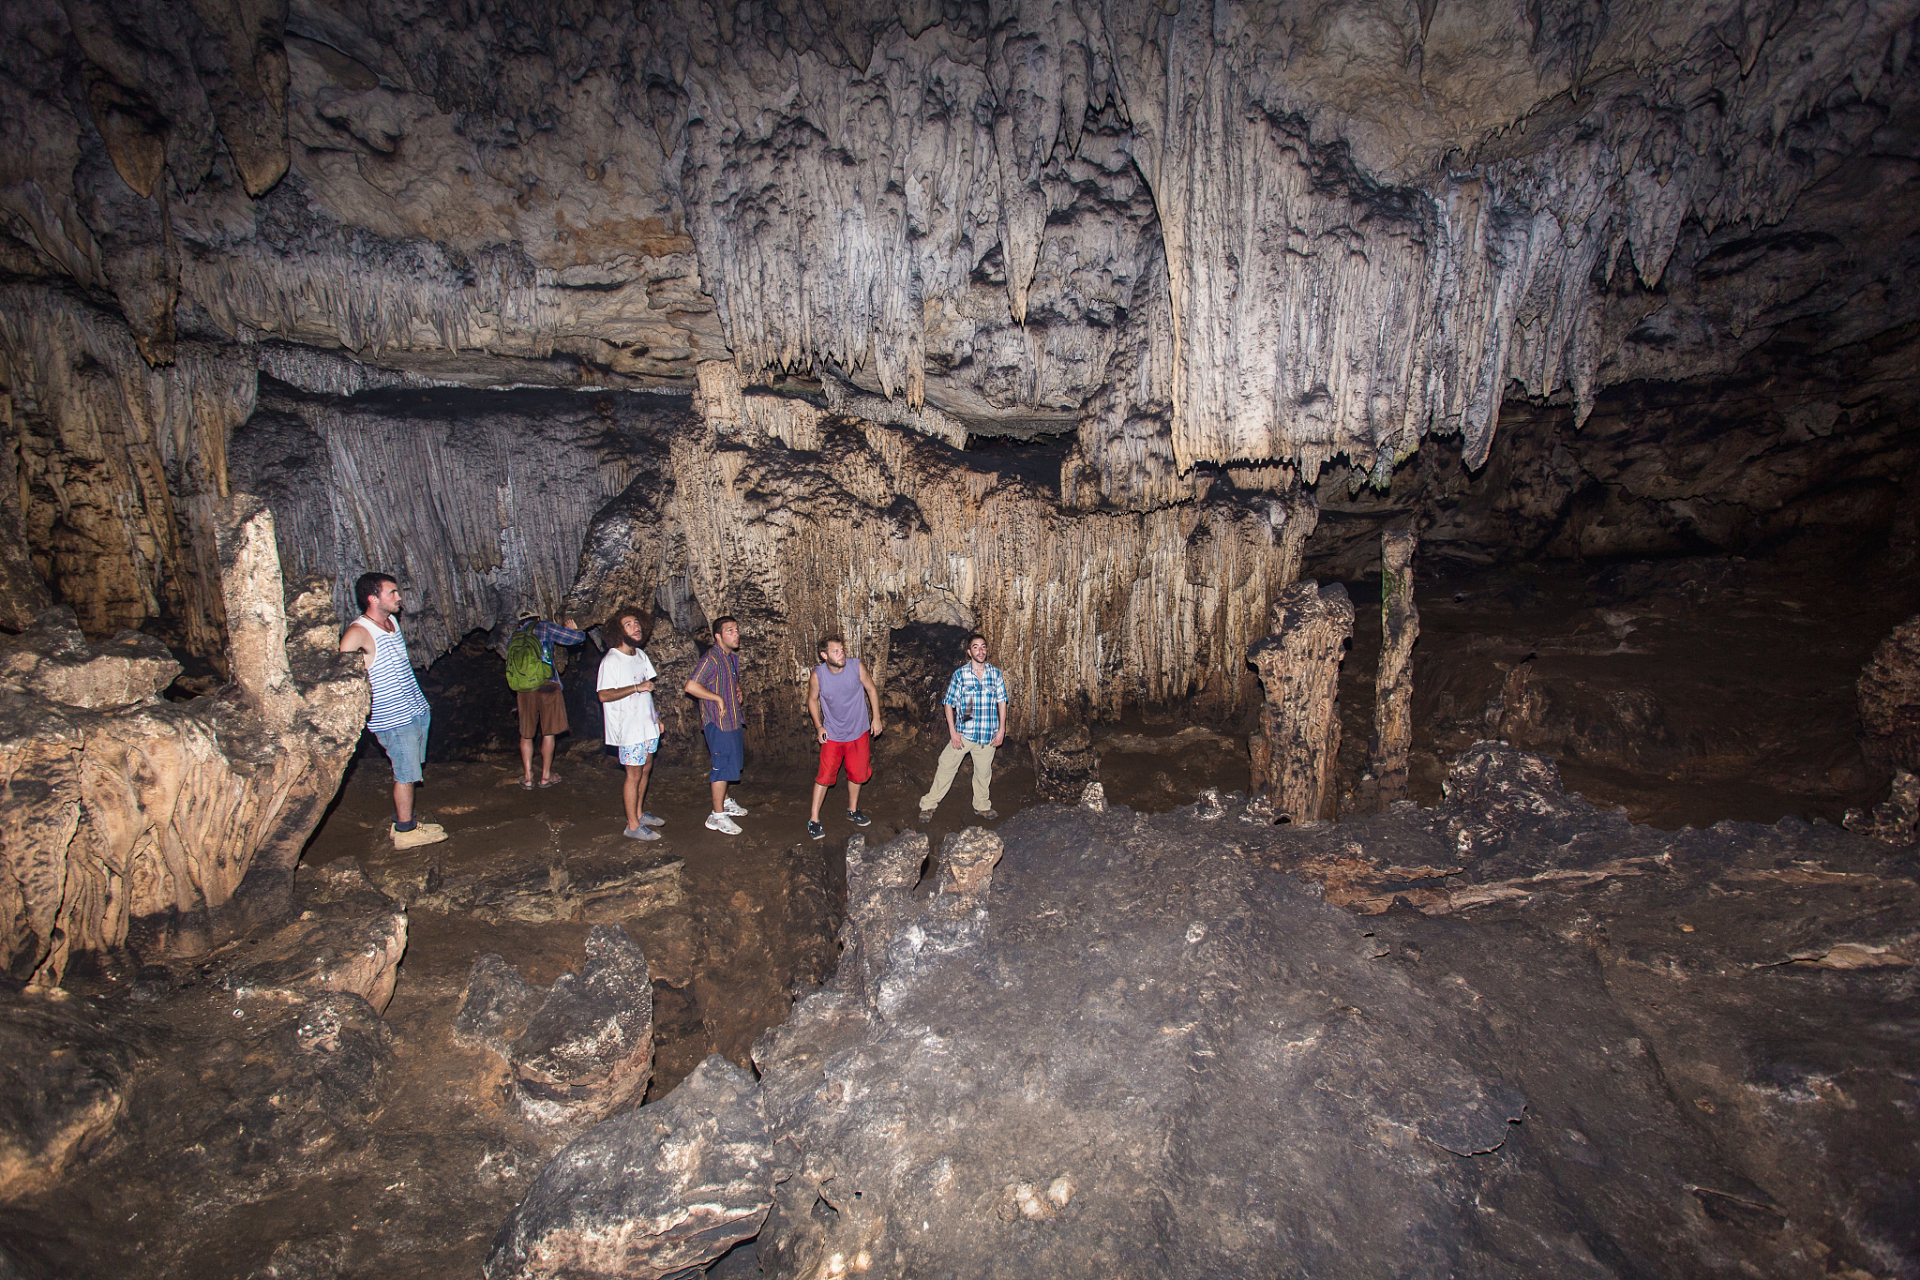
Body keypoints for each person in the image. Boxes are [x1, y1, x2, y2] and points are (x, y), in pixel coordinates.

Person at [339, 572, 447, 849]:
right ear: (373, 598)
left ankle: (403, 816)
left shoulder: (391, 622)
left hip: (412, 709)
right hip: (392, 718)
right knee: (405, 773)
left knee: (410, 769)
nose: (399, 598)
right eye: (392, 593)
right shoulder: (358, 632)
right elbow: (341, 674)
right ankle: (405, 831)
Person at [918, 632, 1009, 824]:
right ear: (969, 652)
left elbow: (1001, 701)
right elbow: (948, 703)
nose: (980, 650)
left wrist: (1001, 729)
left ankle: (982, 806)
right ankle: (929, 804)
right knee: (946, 765)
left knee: (983, 773)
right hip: (965, 732)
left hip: (988, 733)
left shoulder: (995, 674)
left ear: (987, 650)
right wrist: (953, 731)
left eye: (983, 646)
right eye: (975, 647)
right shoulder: (960, 675)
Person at [806, 634, 884, 840]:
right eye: (835, 652)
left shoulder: (856, 666)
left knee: (857, 773)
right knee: (824, 776)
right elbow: (812, 700)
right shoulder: (818, 675)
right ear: (824, 655)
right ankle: (813, 820)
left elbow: (871, 689)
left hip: (858, 731)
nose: (841, 654)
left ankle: (852, 809)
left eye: (842, 650)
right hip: (833, 734)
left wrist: (876, 718)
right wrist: (818, 726)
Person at [597, 606, 664, 841]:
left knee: (646, 768)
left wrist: (656, 718)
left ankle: (638, 813)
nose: (635, 628)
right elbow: (604, 695)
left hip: (646, 725)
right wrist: (635, 688)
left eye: (637, 623)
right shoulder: (611, 661)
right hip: (628, 728)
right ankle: (632, 826)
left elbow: (647, 692)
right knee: (633, 774)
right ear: (618, 630)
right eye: (629, 624)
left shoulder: (640, 655)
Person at [684, 616, 750, 834]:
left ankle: (726, 800)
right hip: (718, 721)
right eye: (730, 630)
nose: (736, 634)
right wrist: (717, 698)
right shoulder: (711, 659)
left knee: (732, 762)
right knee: (721, 768)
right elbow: (691, 686)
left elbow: (728, 679)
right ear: (718, 637)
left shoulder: (731, 658)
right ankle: (717, 815)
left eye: (737, 629)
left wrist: (736, 688)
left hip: (733, 718)